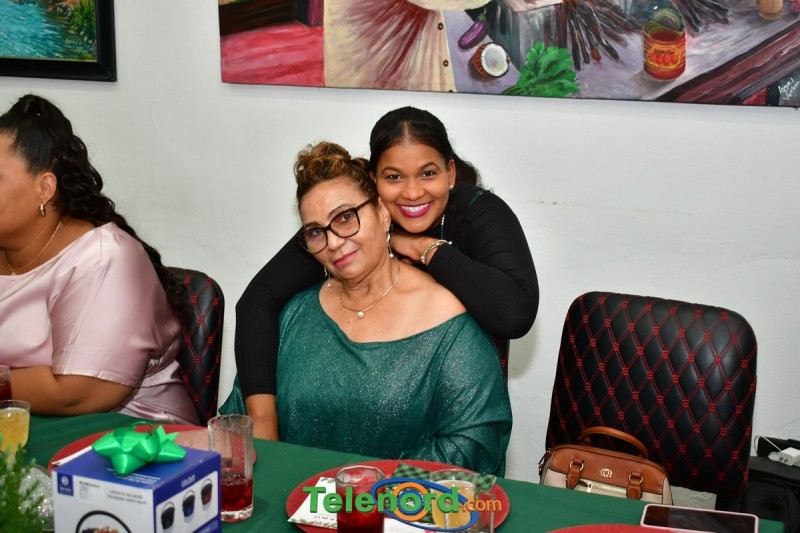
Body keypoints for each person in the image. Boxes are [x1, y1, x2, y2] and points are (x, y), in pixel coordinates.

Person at [235, 106, 538, 440]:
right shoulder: (341, 230)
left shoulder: (477, 211)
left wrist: (424, 247)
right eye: (394, 177)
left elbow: (515, 314)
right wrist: (262, 423)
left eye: (428, 173)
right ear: (374, 181)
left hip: (448, 414)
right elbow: (258, 299)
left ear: (450, 174)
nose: (412, 192)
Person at [0, 94, 198, 425]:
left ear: (44, 188)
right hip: (21, 429)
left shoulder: (103, 258)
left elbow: (79, 391)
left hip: (132, 440)